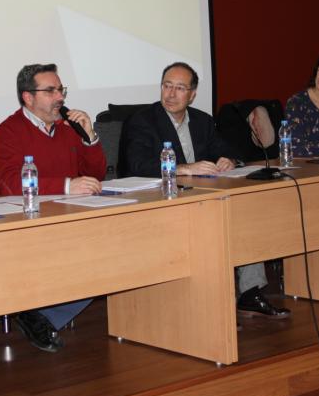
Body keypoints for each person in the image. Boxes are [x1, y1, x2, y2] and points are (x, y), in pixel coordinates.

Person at [120, 62, 290, 320]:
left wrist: (229, 160)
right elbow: (136, 165)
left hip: (199, 195)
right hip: (159, 198)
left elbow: (230, 149)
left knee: (243, 212)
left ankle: (249, 293)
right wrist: (183, 168)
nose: (171, 94)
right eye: (167, 86)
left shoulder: (202, 121)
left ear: (192, 94)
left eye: (180, 88)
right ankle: (207, 302)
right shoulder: (142, 121)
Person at [0, 63, 106, 352]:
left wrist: (89, 137)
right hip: (22, 221)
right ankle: (39, 312)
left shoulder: (67, 130)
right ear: (28, 98)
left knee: (110, 247)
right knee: (88, 253)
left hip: (66, 217)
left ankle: (39, 314)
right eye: (51, 91)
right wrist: (67, 186)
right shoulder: (8, 131)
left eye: (61, 90)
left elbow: (96, 174)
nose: (60, 98)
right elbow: (9, 183)